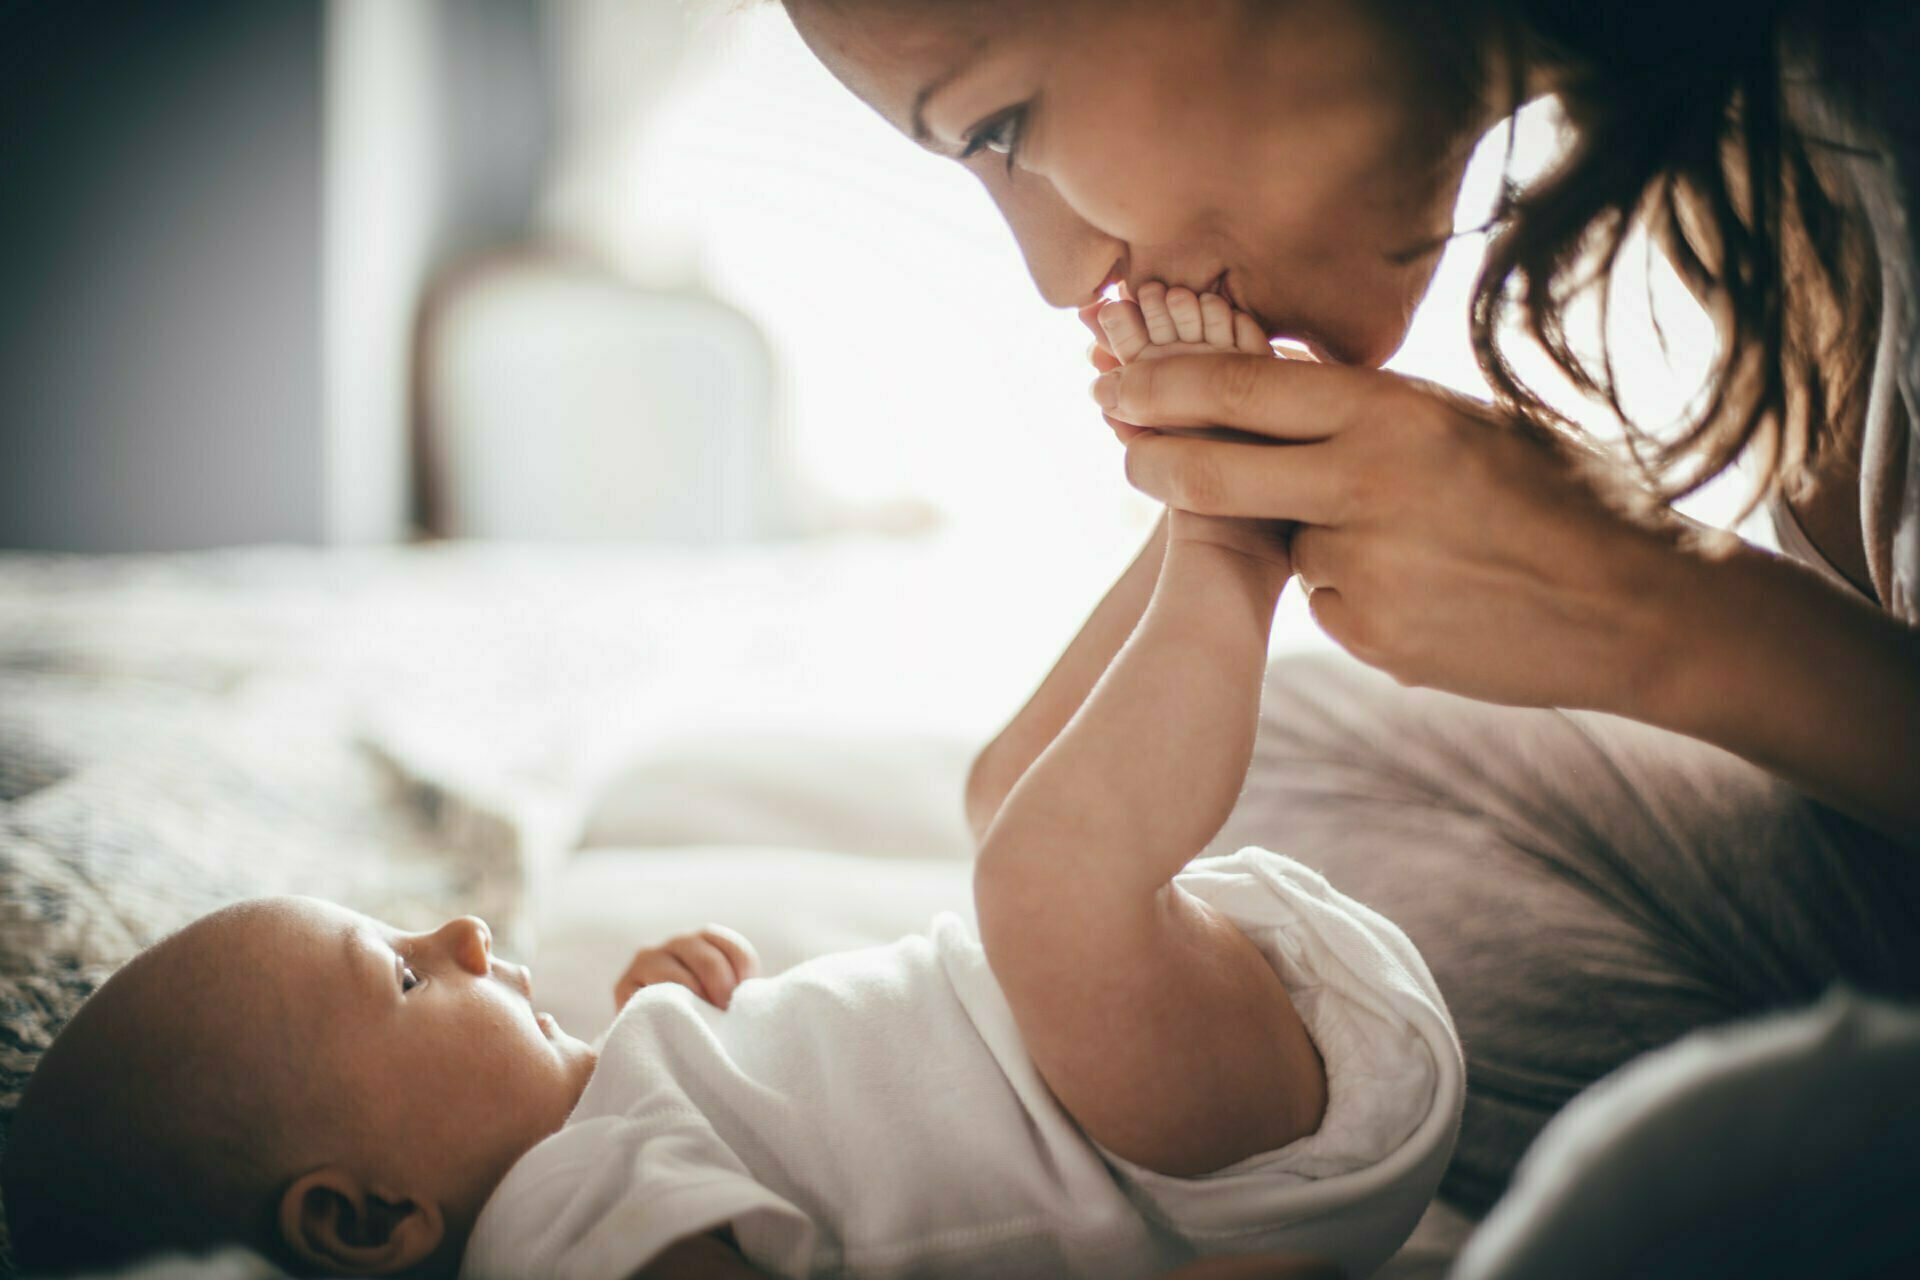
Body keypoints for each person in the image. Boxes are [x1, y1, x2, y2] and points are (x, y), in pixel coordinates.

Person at [3, 298, 1463, 1279]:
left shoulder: (595, 1136)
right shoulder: (563, 1233)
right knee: (1040, 882)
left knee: (1004, 798)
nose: (453, 936)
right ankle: (1228, 543)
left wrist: (671, 1014)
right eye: (395, 978)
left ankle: (1193, 516)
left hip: (1130, 1044)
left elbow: (781, 1131)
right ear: (368, 1218)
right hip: (1168, 1146)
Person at [784, 0, 1920, 1218]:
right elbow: (1022, 806)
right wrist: (1226, 536)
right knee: (1083, 809)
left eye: (1002, 123)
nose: (1064, 273)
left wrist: (1657, 607)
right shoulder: (1767, 121)